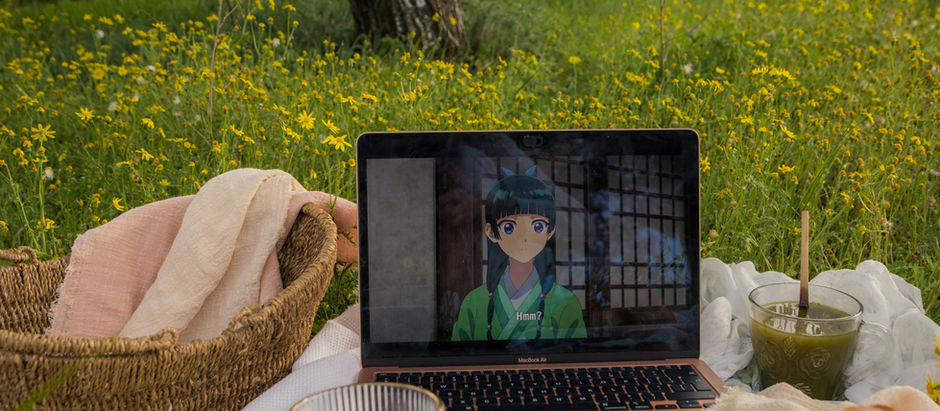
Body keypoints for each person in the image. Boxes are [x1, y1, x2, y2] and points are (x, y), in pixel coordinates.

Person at [452, 166, 587, 341]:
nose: (525, 237)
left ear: (550, 231)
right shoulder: (474, 303)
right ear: (491, 232)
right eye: (509, 227)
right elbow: (461, 360)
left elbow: (575, 357)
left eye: (538, 226)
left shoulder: (565, 302)